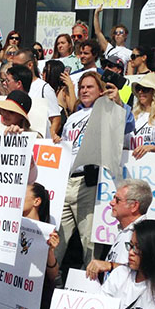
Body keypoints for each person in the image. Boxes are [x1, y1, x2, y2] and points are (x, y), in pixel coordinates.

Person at [54, 71, 133, 268]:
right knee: (57, 243)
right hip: (66, 182)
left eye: (90, 87)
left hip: (89, 184)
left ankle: (90, 289)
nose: (84, 90)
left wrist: (118, 104)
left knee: (89, 244)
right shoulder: (72, 117)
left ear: (100, 90)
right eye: (81, 87)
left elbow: (128, 124)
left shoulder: (107, 109)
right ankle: (52, 287)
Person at [86, 179, 152, 281]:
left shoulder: (143, 235)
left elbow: (141, 272)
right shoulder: (125, 230)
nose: (111, 203)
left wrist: (110, 265)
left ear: (134, 206)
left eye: (117, 200)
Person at [12, 49, 62, 138]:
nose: (14, 69)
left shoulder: (44, 88)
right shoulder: (14, 86)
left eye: (17, 66)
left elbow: (56, 119)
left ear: (30, 65)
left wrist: (47, 139)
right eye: (13, 66)